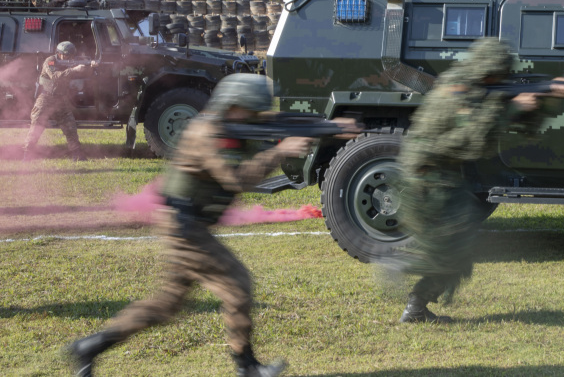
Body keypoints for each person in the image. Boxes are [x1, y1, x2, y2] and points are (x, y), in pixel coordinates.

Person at [66, 74, 355, 377]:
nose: (255, 117)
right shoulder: (207, 133)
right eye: (249, 111)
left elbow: (277, 118)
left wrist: (333, 127)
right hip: (184, 226)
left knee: (166, 307)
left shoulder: (237, 119)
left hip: (189, 224)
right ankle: (247, 367)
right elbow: (236, 179)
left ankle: (90, 347)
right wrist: (280, 151)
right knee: (237, 285)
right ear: (232, 106)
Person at [393, 39, 564, 323]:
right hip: (428, 177)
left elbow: (519, 128)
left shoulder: (472, 85)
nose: (499, 79)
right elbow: (473, 140)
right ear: (485, 71)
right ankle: (401, 268)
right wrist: (513, 108)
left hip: (442, 175)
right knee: (454, 249)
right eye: (496, 74)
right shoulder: (460, 93)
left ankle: (415, 305)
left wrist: (544, 96)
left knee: (459, 247)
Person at [22, 41, 99, 161]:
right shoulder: (50, 61)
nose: (69, 58)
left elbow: (81, 74)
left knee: (70, 127)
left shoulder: (70, 63)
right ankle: (27, 155)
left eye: (71, 56)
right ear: (60, 53)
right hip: (45, 98)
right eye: (67, 55)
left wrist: (90, 67)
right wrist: (74, 69)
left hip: (60, 99)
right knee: (37, 126)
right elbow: (55, 76)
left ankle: (77, 155)